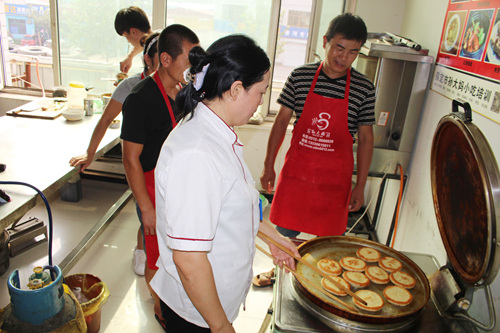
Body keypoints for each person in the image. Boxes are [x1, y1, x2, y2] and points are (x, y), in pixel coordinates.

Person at [151, 34, 300, 333]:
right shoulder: (198, 154)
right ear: (235, 90)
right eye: (260, 92)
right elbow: (189, 259)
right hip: (198, 312)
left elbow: (232, 205)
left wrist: (275, 239)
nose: (261, 101)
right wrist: (220, 327)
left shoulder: (218, 134)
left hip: (211, 301)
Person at [261, 13, 375, 238]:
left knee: (327, 250)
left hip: (334, 185)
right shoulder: (300, 76)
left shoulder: (364, 88)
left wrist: (360, 185)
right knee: (285, 242)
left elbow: (366, 139)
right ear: (325, 42)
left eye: (353, 52)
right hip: (296, 179)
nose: (344, 57)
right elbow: (281, 121)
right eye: (338, 47)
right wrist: (268, 165)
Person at [120, 24, 200, 328]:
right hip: (152, 189)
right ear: (165, 59)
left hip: (174, 186)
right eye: (189, 59)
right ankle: (159, 309)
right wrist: (146, 208)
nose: (193, 67)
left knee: (174, 251)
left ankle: (174, 299)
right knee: (155, 254)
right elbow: (130, 160)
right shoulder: (140, 99)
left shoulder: (181, 92)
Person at [69, 32, 160, 277]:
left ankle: (152, 252)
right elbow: (106, 119)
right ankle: (142, 250)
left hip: (165, 168)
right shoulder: (131, 87)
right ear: (149, 59)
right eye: (162, 57)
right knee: (146, 214)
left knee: (157, 218)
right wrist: (90, 154)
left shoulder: (177, 88)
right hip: (139, 166)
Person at [114, 6, 152, 73]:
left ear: (133, 32)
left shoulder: (155, 54)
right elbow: (142, 44)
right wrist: (130, 57)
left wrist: (126, 83)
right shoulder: (156, 40)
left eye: (126, 37)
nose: (128, 41)